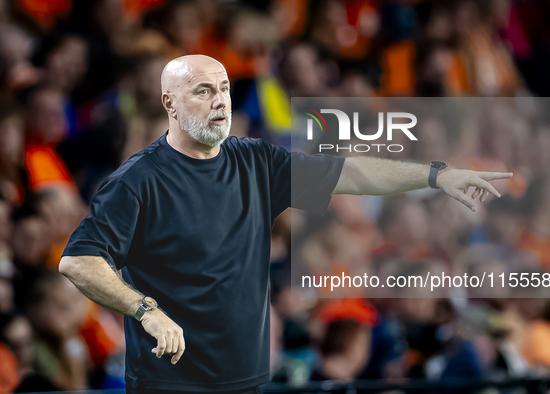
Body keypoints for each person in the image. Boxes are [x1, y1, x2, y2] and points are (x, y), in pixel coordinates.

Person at [58, 55, 512, 393]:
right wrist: (145, 310)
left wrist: (434, 174)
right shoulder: (138, 180)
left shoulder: (255, 160)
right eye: (202, 91)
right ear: (169, 104)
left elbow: (350, 172)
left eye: (224, 88)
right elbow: (79, 262)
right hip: (172, 386)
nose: (219, 100)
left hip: (251, 380)